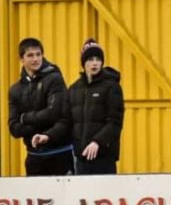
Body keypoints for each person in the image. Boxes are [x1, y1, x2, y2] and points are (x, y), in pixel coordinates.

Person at [8, 38, 74, 176]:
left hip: (60, 154)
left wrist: (25, 118)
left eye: (38, 54)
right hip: (34, 158)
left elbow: (54, 114)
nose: (35, 59)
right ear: (21, 59)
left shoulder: (55, 78)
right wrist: (38, 128)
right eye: (30, 55)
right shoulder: (15, 90)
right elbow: (13, 128)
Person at [64, 39, 124, 175]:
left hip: (104, 156)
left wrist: (98, 142)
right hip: (81, 157)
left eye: (98, 59)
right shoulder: (74, 89)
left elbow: (115, 122)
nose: (95, 63)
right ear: (83, 62)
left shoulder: (112, 87)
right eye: (90, 59)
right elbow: (67, 122)